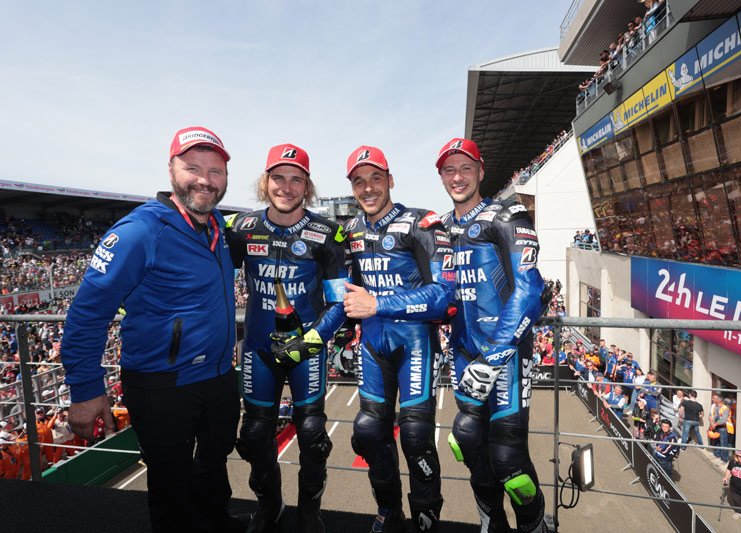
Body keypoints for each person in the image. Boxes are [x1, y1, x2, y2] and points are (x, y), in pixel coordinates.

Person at [60, 126, 243, 533]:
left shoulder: (219, 227)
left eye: (215, 171)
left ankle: (218, 524)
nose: (205, 180)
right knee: (171, 487)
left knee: (214, 469)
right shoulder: (139, 231)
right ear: (171, 170)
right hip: (163, 384)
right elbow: (87, 313)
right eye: (193, 168)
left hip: (217, 377)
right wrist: (85, 389)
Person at [226, 143, 348, 533]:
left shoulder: (328, 234)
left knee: (312, 436)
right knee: (253, 435)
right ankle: (270, 507)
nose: (286, 186)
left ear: (307, 187)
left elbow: (340, 304)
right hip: (258, 348)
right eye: (278, 177)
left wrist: (307, 343)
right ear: (265, 182)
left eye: (296, 179)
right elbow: (209, 276)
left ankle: (309, 513)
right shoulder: (240, 228)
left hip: (307, 350)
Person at [341, 145, 455, 532]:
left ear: (390, 180)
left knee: (416, 435)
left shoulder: (422, 222)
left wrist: (379, 303)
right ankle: (388, 510)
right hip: (373, 346)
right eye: (359, 181)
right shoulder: (349, 231)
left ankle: (426, 515)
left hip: (416, 344)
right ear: (352, 188)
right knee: (368, 431)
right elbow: (341, 294)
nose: (368, 187)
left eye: (376, 178)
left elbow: (445, 296)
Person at [438, 138, 550, 532]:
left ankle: (534, 525)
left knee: (507, 458)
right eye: (449, 170)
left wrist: (493, 357)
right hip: (463, 354)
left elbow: (530, 289)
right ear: (441, 177)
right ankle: (491, 520)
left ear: (481, 171)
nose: (458, 177)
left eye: (465, 168)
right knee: (467, 438)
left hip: (506, 355)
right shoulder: (439, 228)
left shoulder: (507, 214)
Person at [709, 394, 731, 462]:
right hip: (715, 427)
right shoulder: (713, 406)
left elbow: (723, 420)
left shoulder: (725, 408)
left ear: (719, 400)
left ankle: (724, 459)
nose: (712, 399)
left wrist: (715, 424)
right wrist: (712, 423)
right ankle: (717, 454)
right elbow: (710, 415)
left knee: (723, 443)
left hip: (722, 428)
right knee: (716, 442)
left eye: (714, 398)